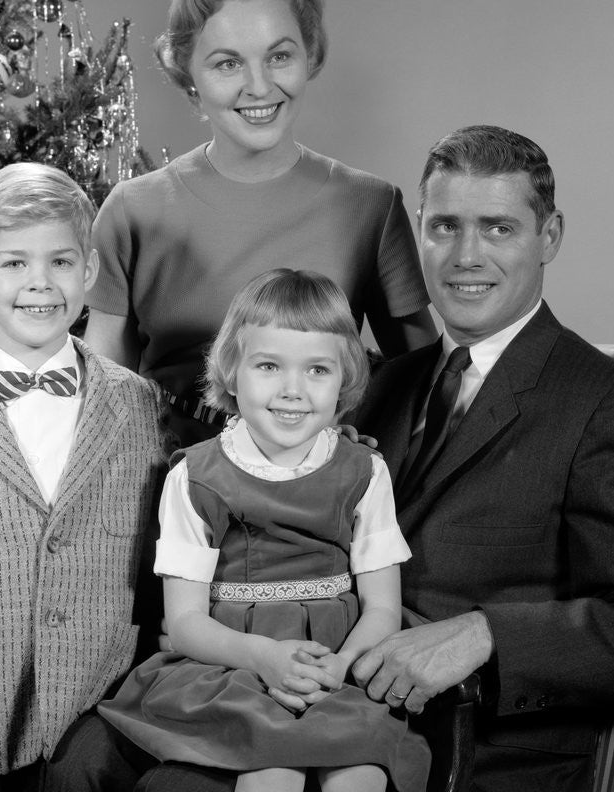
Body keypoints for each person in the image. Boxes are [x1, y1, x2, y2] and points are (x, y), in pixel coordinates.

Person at [350, 125, 614, 792]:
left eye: (496, 229)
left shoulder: (612, 399)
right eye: (444, 226)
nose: (464, 255)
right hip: (341, 733)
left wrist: (484, 635)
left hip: (490, 762)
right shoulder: (378, 386)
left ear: (548, 237)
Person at [83, 0, 434, 445]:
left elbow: (421, 388)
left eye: (279, 56)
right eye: (228, 63)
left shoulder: (370, 207)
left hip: (314, 505)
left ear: (309, 54)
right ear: (189, 76)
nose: (259, 86)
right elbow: (101, 399)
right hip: (164, 497)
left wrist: (356, 459)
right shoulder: (132, 212)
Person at [99, 269, 432, 792]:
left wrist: (340, 667)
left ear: (345, 377)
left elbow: (383, 607)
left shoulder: (365, 471)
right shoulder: (197, 475)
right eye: (269, 366)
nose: (293, 390)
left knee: (361, 774)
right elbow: (184, 622)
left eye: (317, 369)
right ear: (232, 372)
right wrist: (265, 658)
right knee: (273, 772)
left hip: (335, 664)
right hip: (235, 665)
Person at [0, 163, 172, 791]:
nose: (40, 283)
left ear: (88, 271)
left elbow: (158, 563)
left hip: (104, 718)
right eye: (13, 264)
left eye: (60, 263)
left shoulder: (140, 405)